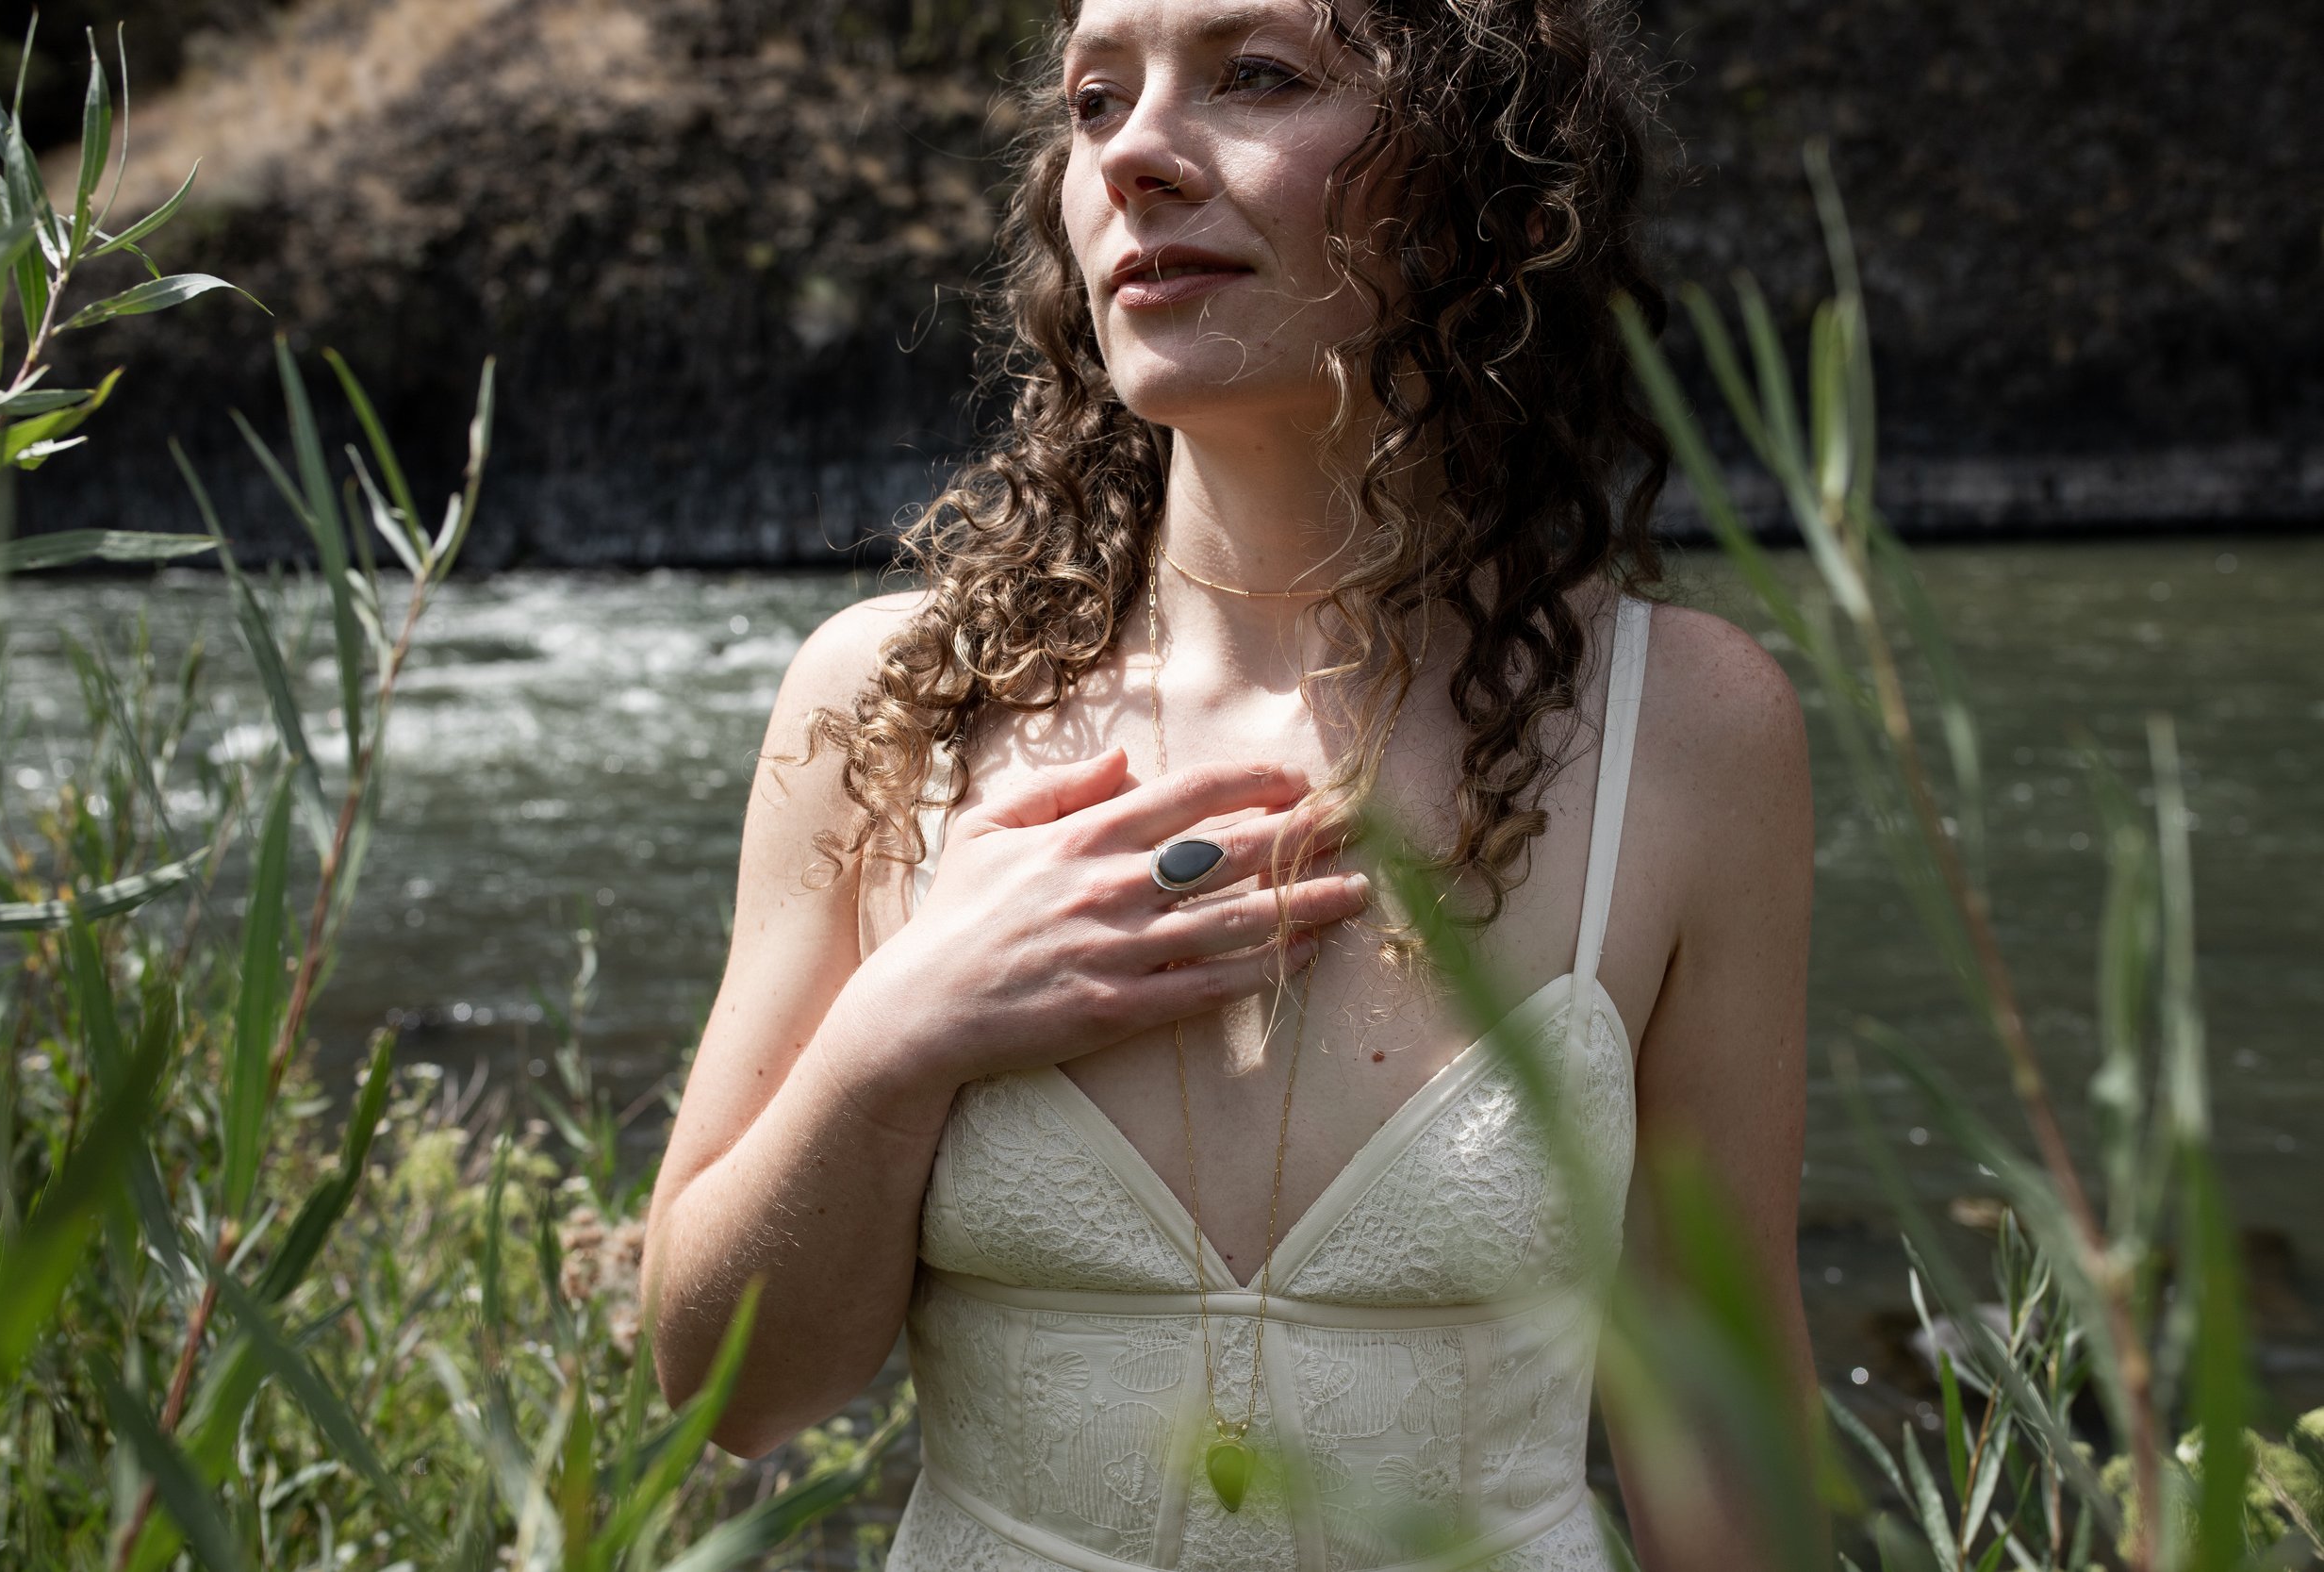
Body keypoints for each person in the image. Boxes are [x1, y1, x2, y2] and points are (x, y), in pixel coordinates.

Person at [643, 0, 1819, 1564]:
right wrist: (892, 1042)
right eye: (1094, 99)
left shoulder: (1687, 731)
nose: (1135, 153)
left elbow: (1719, 1430)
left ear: (1490, 183)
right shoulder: (894, 705)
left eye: (1258, 75)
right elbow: (725, 1393)